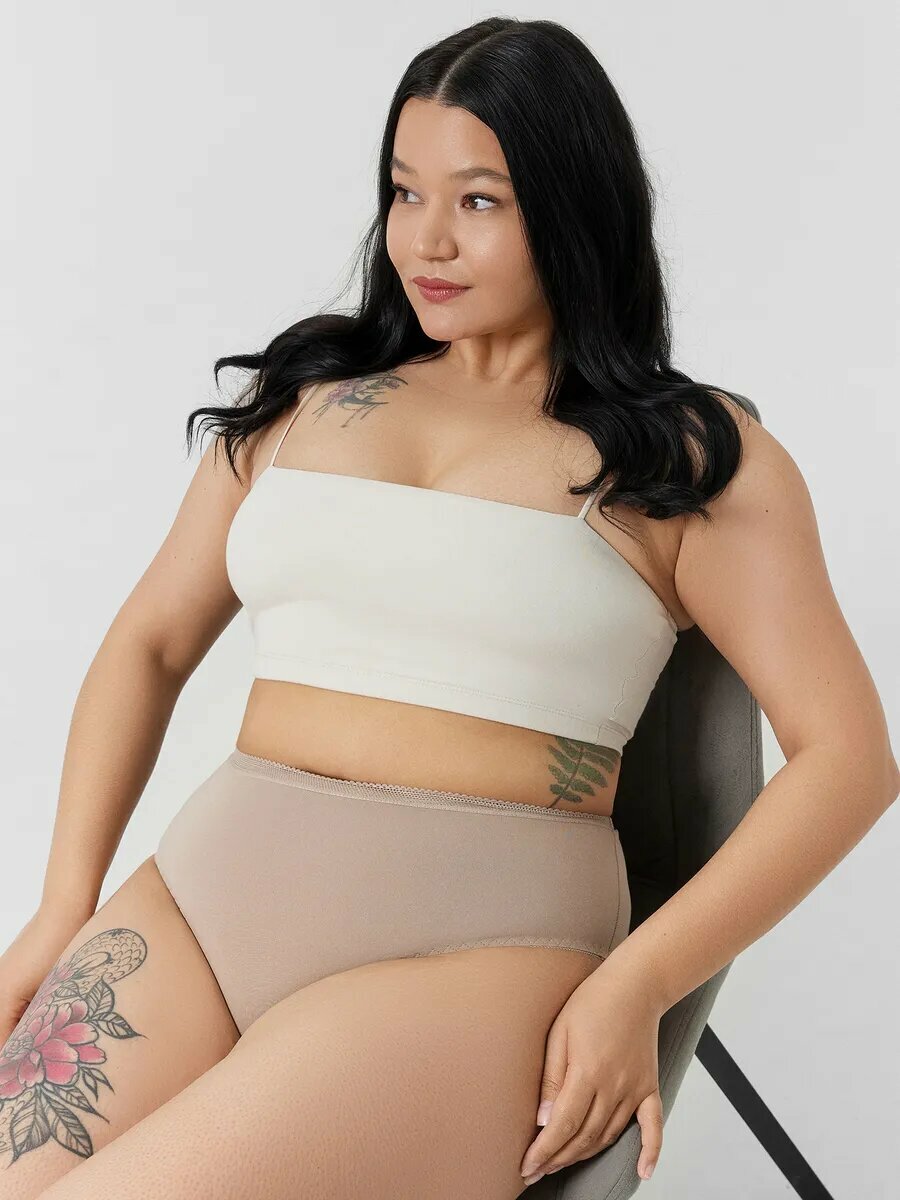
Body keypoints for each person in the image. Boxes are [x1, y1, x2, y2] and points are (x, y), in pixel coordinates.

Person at [1, 16, 896, 1200]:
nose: (426, 238)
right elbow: (152, 642)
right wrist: (61, 905)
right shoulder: (305, 399)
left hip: (469, 960)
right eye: (404, 191)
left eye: (479, 201)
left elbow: (849, 759)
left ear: (573, 209)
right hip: (202, 906)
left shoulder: (684, 457)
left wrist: (640, 982)